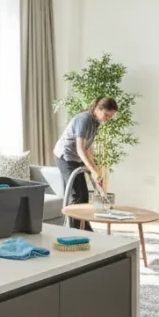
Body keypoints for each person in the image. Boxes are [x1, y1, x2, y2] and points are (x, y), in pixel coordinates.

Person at [54, 96, 118, 229]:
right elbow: (80, 148)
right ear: (97, 109)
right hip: (65, 157)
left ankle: (83, 228)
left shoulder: (95, 123)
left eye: (110, 117)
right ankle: (77, 231)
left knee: (83, 195)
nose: (107, 118)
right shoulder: (83, 119)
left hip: (76, 157)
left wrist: (94, 170)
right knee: (76, 196)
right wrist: (92, 170)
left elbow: (88, 149)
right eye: (106, 114)